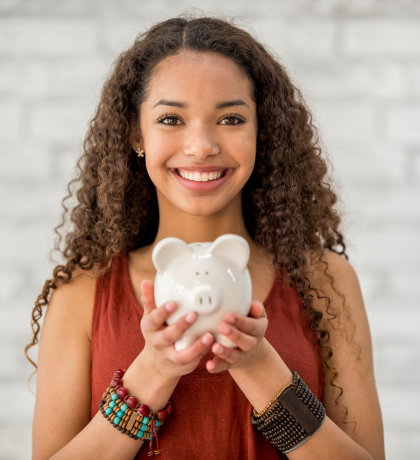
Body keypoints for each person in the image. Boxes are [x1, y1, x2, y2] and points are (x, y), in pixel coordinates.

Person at [26, 14, 385, 460]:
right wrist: (153, 372)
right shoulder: (82, 292)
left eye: (231, 118)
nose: (201, 145)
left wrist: (258, 367)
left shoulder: (327, 281)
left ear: (261, 131)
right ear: (136, 134)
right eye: (171, 119)